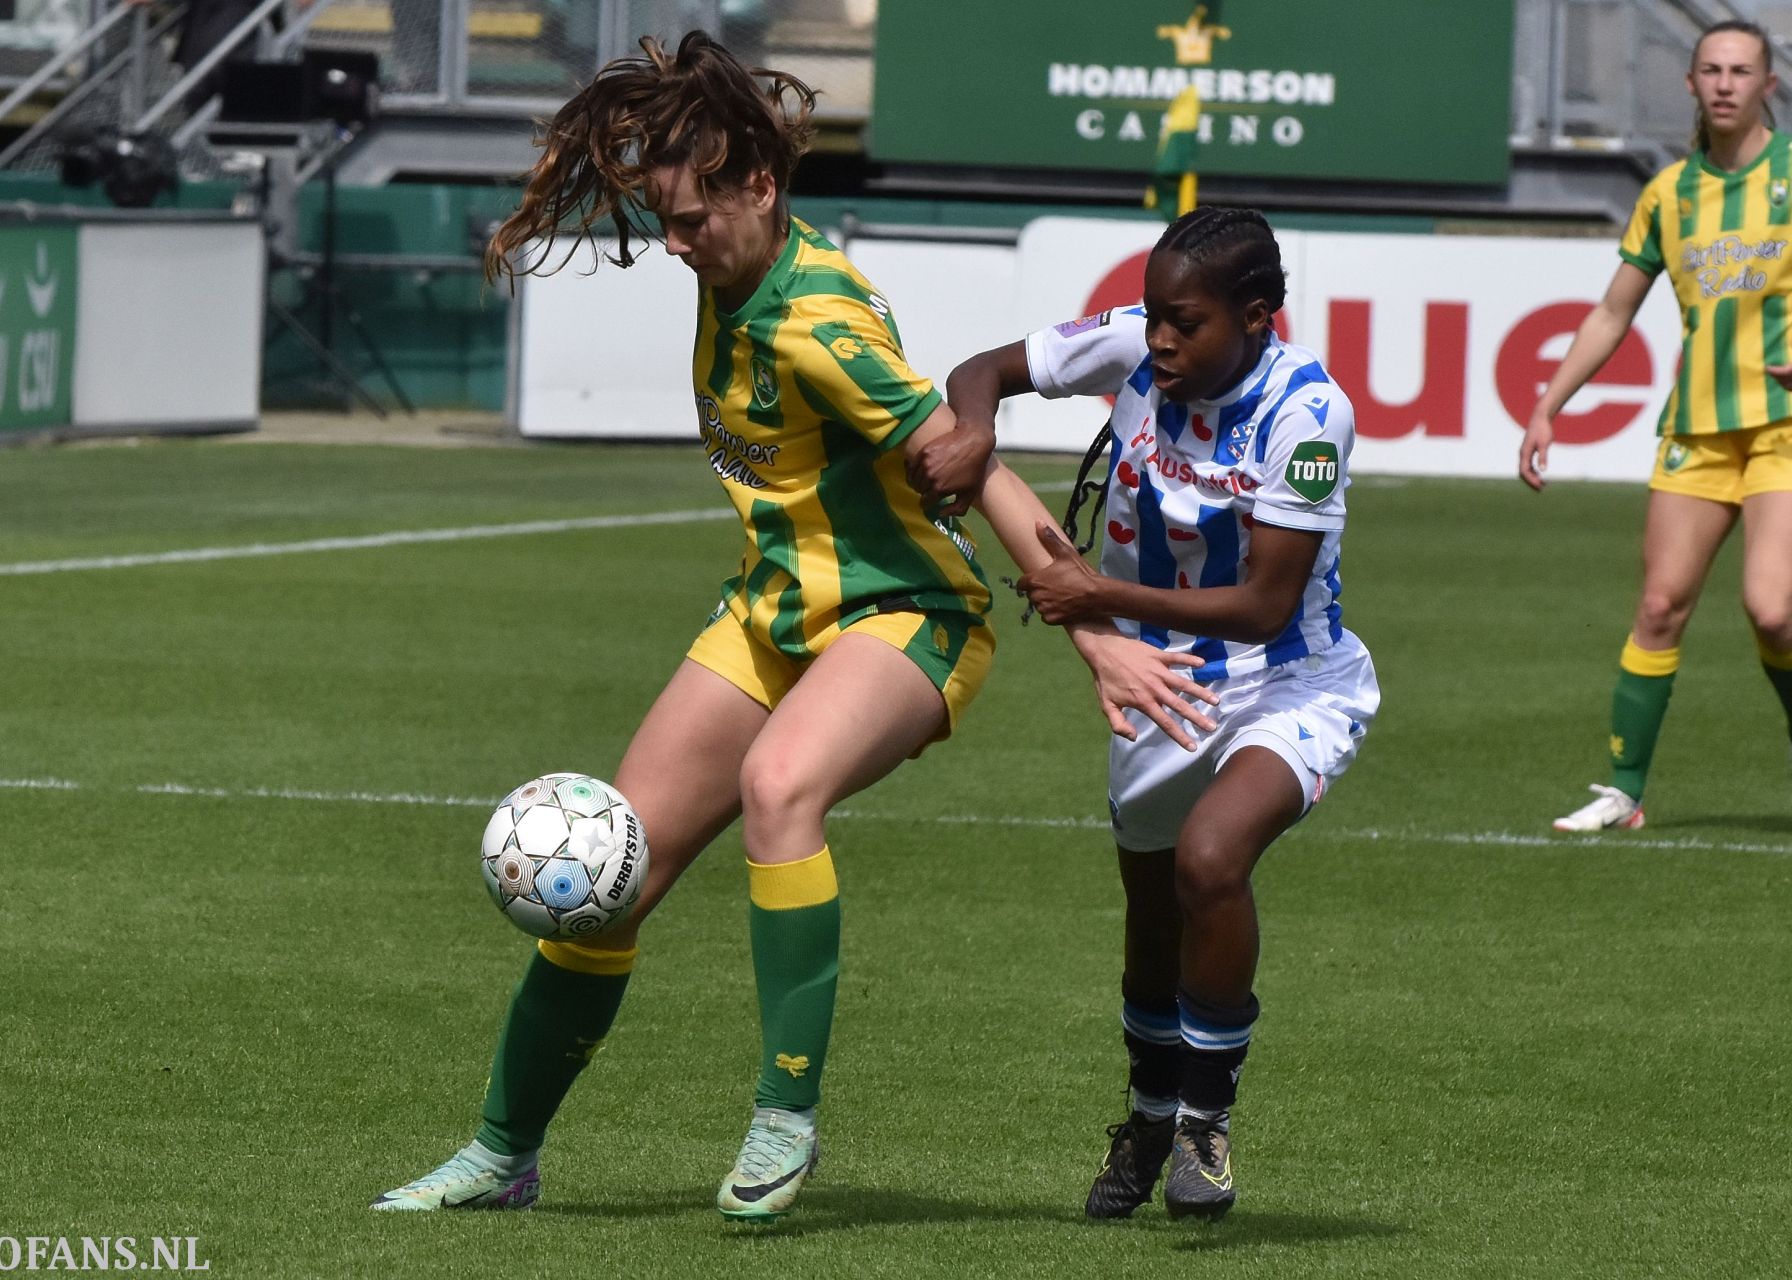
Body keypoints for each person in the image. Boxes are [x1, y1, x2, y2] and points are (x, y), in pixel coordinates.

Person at [370, 31, 1214, 1223]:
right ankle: (500, 1152)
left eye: (689, 219)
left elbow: (970, 467)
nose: (673, 244)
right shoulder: (732, 276)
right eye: (660, 220)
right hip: (773, 614)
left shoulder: (817, 324)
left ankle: (783, 1112)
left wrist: (1090, 625)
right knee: (607, 871)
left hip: (909, 616)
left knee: (779, 787)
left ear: (758, 187)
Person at [923, 206, 1379, 1221]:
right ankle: (1146, 1114)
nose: (1162, 339)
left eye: (1188, 322)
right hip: (1158, 680)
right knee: (1151, 911)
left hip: (1291, 676)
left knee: (1210, 859)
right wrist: (976, 427)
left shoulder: (1307, 413)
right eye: (1154, 315)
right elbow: (978, 369)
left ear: (1256, 317)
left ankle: (1205, 1123)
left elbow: (1265, 603)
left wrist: (1100, 596)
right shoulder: (1133, 346)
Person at [1518, 19, 1792, 833]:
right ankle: (1624, 793)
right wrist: (1547, 404)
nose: (1725, 83)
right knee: (1661, 607)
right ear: (1691, 82)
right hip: (1697, 430)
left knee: (1773, 610)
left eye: (1742, 70)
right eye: (1711, 69)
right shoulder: (1668, 193)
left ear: (1767, 85)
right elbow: (1613, 312)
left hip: (1783, 425)